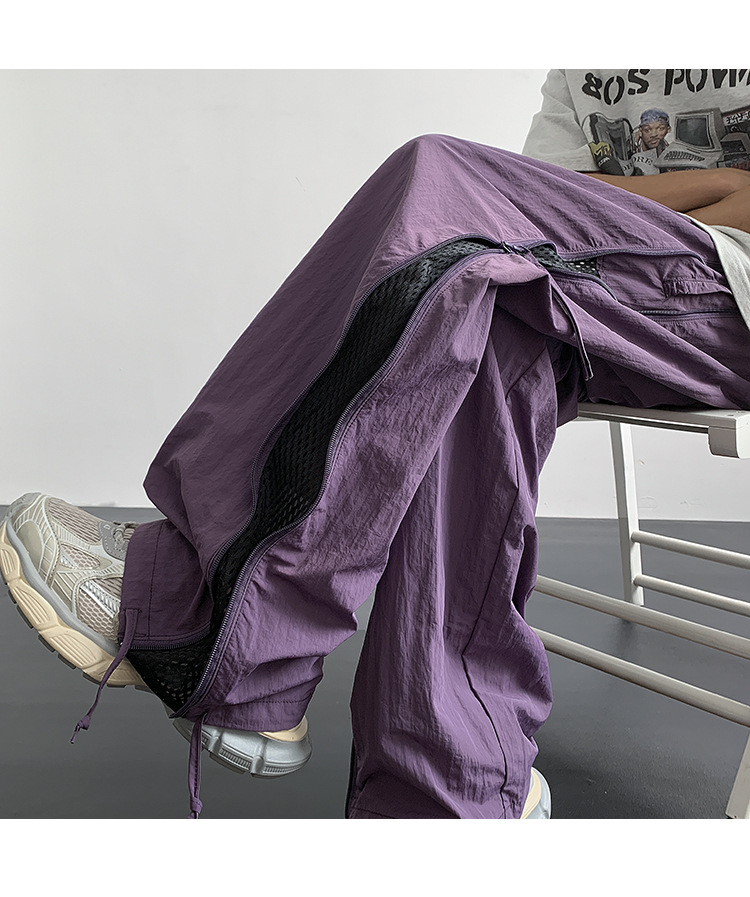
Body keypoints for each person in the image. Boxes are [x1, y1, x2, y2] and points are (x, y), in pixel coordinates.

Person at [3, 69, 750, 820]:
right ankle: (452, 784)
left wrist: (628, 202)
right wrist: (718, 183)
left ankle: (213, 614)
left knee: (441, 174)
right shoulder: (586, 65)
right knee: (480, 302)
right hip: (611, 293)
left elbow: (539, 204)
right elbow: (538, 203)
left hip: (732, 308)